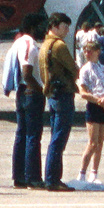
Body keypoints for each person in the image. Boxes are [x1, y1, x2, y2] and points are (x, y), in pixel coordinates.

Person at [38, 12, 78, 191]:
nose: (67, 30)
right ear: (54, 26)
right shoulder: (59, 46)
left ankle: (51, 177)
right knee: (59, 138)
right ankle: (53, 179)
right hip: (63, 93)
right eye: (64, 26)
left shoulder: (44, 44)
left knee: (54, 136)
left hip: (51, 93)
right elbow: (73, 67)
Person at [8, 12, 47, 189]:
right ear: (32, 27)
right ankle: (32, 176)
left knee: (21, 134)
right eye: (41, 26)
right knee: (33, 136)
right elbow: (26, 73)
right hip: (31, 93)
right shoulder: (29, 45)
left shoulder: (17, 42)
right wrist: (41, 89)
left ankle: (19, 175)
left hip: (21, 93)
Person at [76, 39, 104, 184]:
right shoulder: (85, 70)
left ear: (97, 52)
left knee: (100, 142)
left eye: (90, 51)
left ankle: (94, 172)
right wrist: (100, 101)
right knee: (92, 142)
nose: (87, 53)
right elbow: (84, 93)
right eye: (85, 51)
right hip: (94, 105)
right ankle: (82, 172)